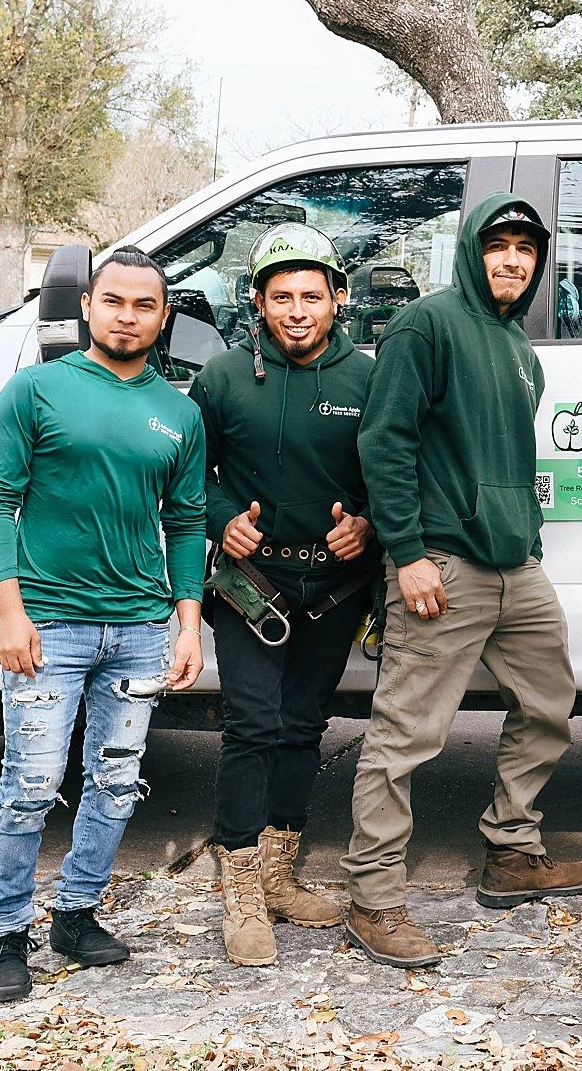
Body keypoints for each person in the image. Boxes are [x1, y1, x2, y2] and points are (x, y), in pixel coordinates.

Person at [342, 195, 582, 968]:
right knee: (406, 735)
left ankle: (512, 853)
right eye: (499, 245)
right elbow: (384, 443)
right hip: (444, 564)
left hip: (514, 565)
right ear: (471, 251)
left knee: (549, 703)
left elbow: (513, 463)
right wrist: (408, 553)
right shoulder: (428, 324)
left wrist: (532, 539)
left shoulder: (521, 350)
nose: (513, 259)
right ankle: (374, 899)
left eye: (526, 247)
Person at [0, 247, 207, 1004]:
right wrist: (9, 613)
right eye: (115, 302)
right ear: (88, 306)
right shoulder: (34, 392)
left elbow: (188, 523)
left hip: (140, 630)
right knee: (31, 786)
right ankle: (7, 935)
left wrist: (187, 622)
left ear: (162, 316)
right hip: (50, 627)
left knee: (114, 782)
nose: (128, 316)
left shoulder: (180, 412)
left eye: (145, 305)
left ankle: (76, 915)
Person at [189, 224, 376, 966]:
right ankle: (239, 886)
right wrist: (219, 520)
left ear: (338, 299)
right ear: (259, 303)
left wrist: (365, 526)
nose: (297, 310)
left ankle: (278, 875)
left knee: (304, 725)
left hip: (333, 588)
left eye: (311, 295)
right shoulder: (223, 379)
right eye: (281, 297)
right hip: (250, 586)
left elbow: (387, 473)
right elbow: (188, 475)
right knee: (252, 727)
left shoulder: (366, 380)